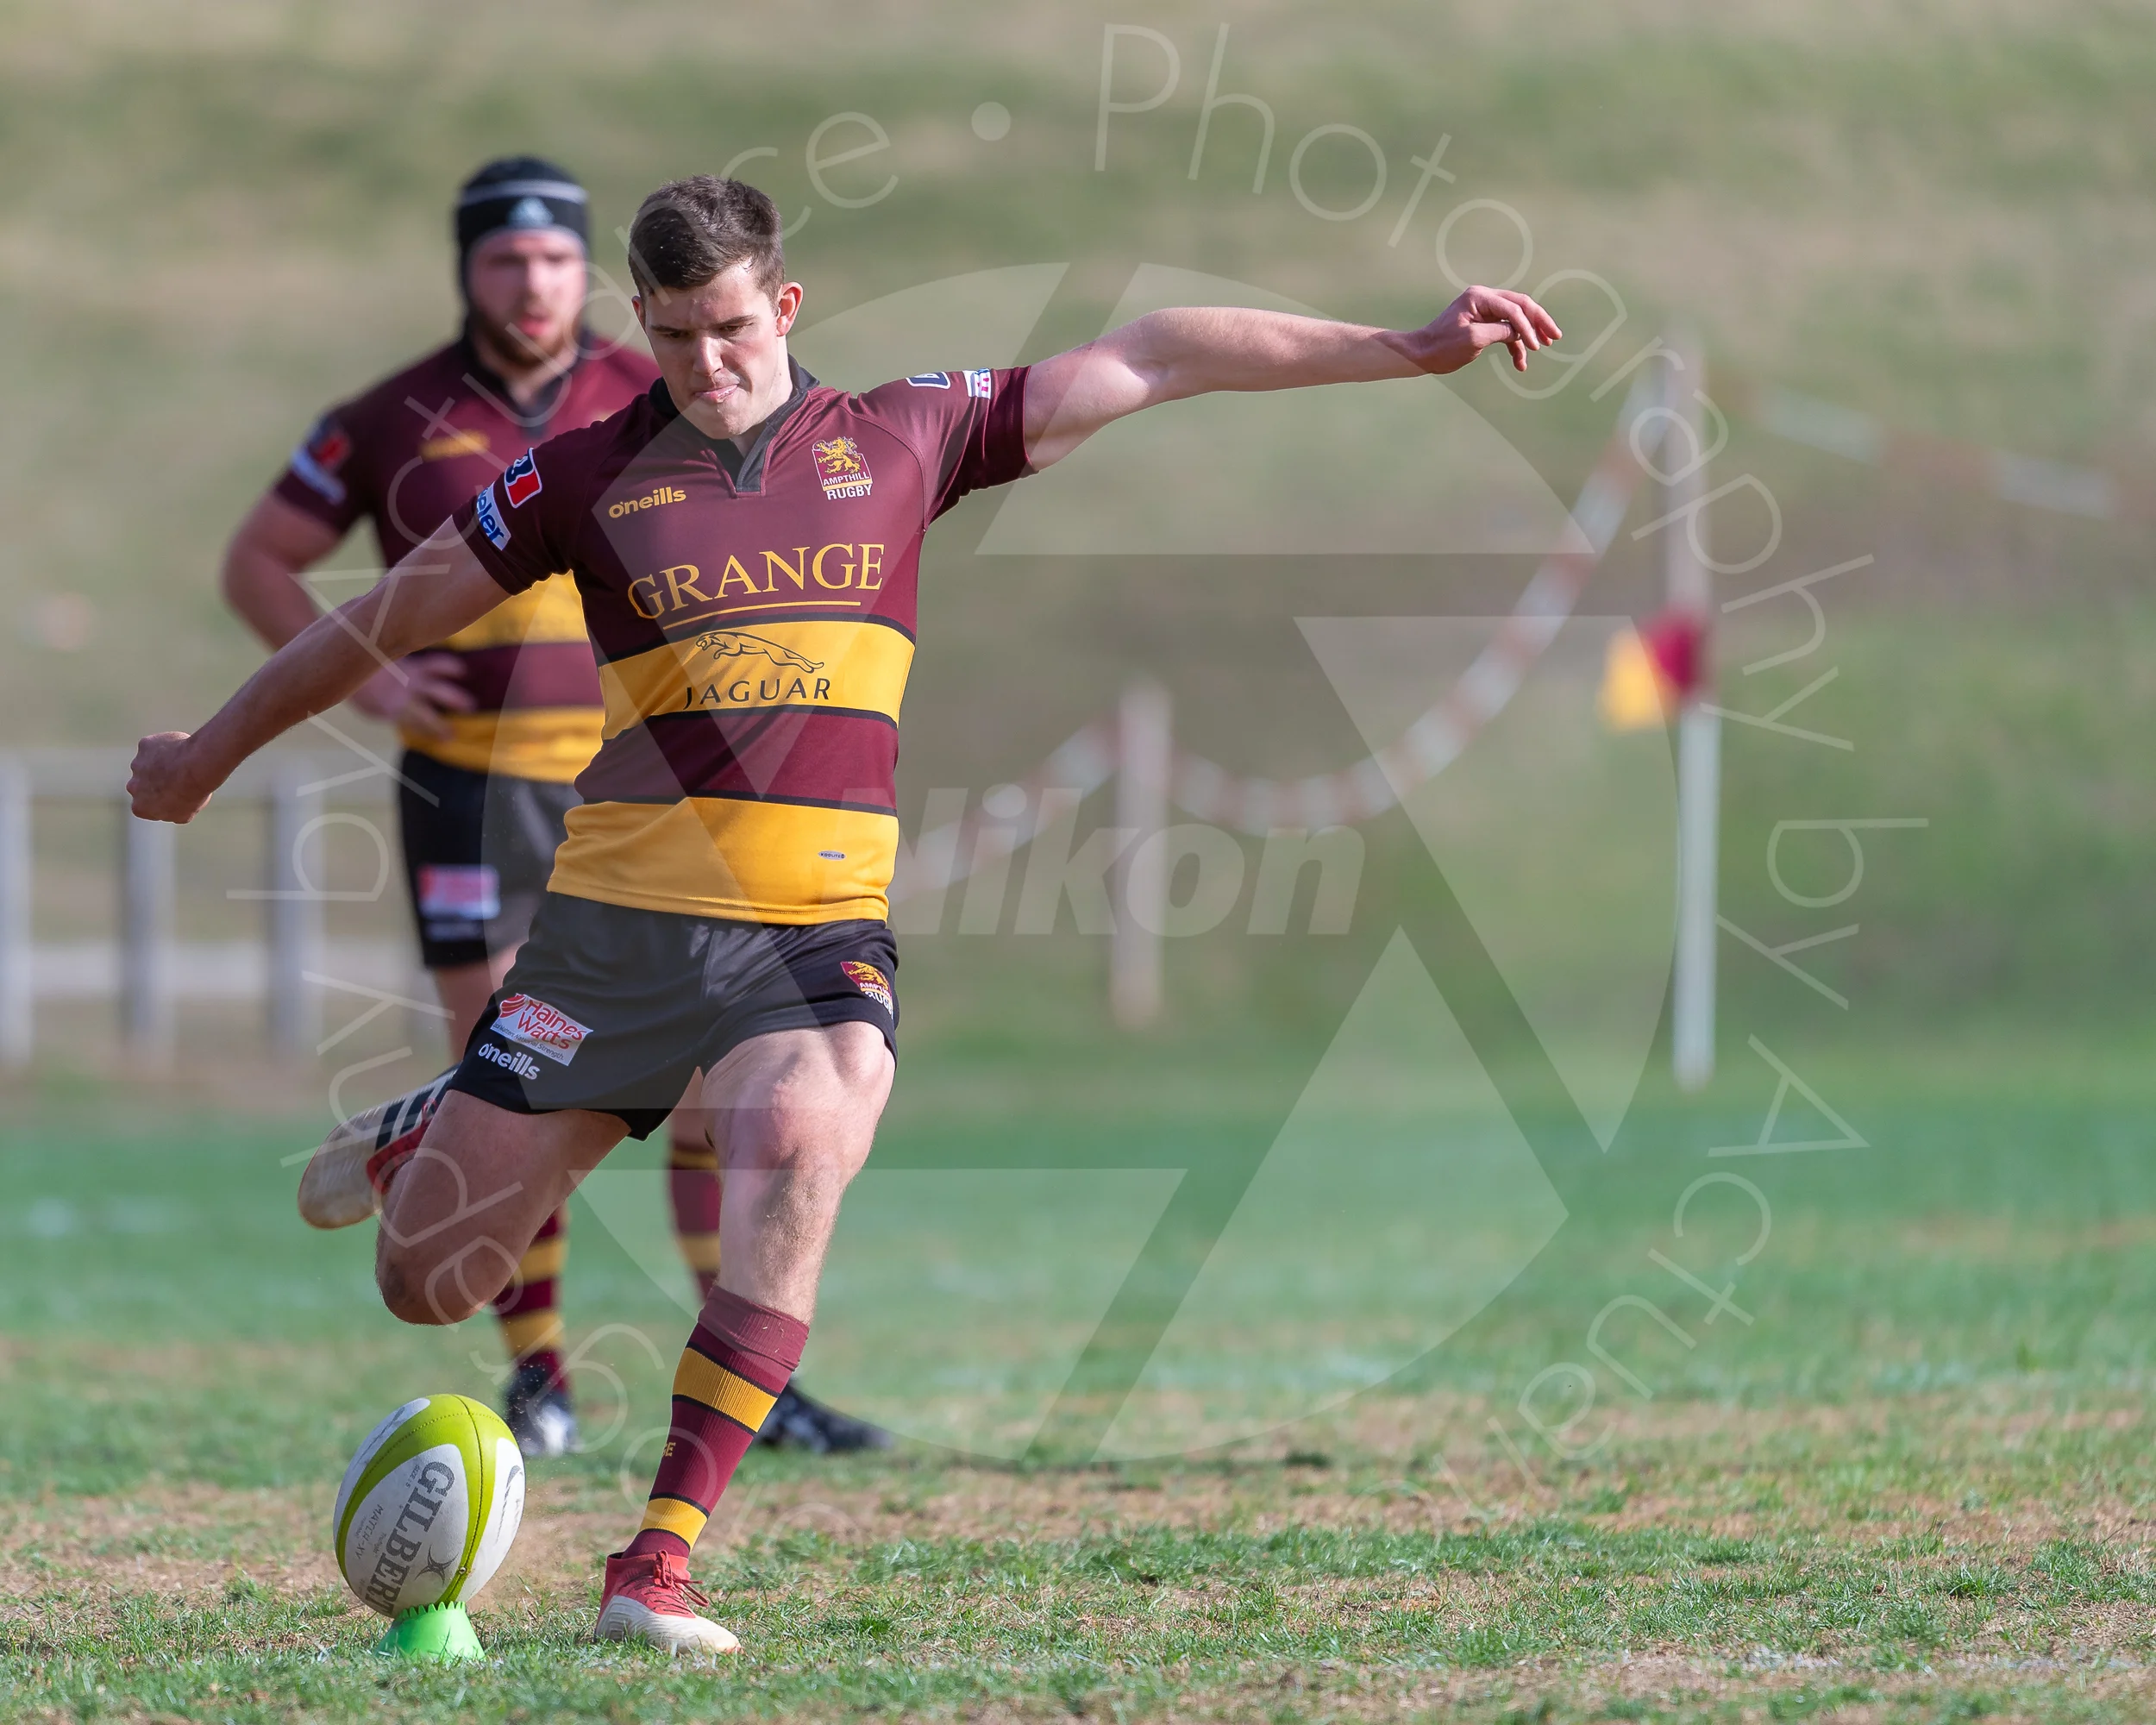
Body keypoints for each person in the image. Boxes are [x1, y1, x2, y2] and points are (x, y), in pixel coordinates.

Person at [134, 173, 1561, 1655]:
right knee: (427, 1285)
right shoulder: (580, 479)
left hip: (813, 935)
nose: (706, 361)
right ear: (644, 321)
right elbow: (380, 615)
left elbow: (1153, 355)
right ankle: (439, 1123)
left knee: (803, 1135)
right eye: (674, 334)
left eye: (732, 327)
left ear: (786, 305)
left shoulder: (904, 433)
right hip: (610, 939)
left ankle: (657, 1562)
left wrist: (1406, 347)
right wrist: (204, 757)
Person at [220, 156, 884, 1460]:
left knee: (720, 1079)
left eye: (555, 258)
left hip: (642, 788)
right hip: (466, 787)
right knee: (508, 1061)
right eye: (506, 258)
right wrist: (374, 686)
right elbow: (260, 561)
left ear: (596, 278)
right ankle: (540, 1377)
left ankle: (752, 1370)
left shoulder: (663, 390)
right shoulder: (390, 414)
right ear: (466, 270)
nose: (532, 282)